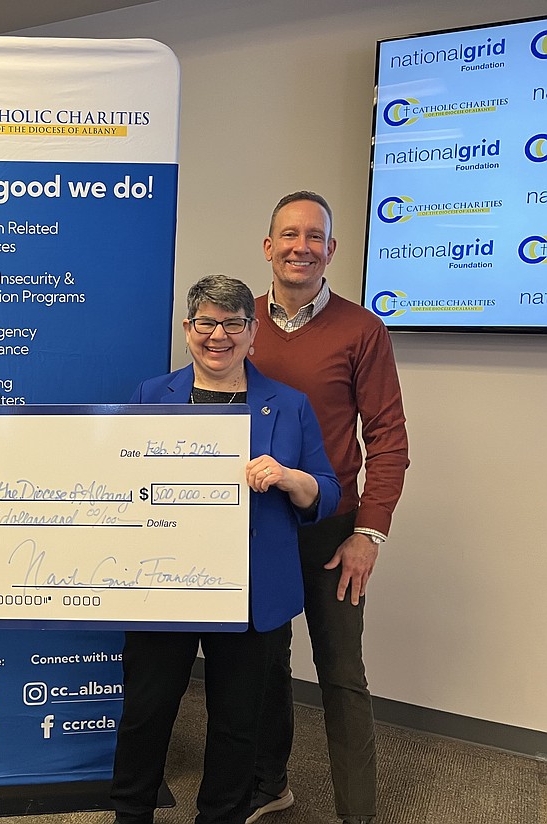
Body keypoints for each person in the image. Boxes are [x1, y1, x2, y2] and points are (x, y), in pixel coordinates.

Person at [110, 274, 340, 824]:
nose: (219, 335)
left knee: (238, 722)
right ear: (187, 329)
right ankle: (131, 814)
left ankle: (222, 816)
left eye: (233, 323)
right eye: (206, 323)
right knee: (146, 711)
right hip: (163, 584)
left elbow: (327, 492)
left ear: (253, 332)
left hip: (252, 592)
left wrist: (289, 477)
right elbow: (119, 480)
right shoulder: (150, 395)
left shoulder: (289, 404)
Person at [246, 192, 410, 824]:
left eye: (314, 237)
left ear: (331, 250)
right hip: (261, 524)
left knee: (341, 673)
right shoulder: (239, 323)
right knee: (264, 665)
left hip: (332, 527)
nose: (301, 247)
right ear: (269, 247)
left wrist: (369, 534)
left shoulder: (362, 330)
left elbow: (388, 439)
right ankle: (270, 786)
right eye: (289, 235)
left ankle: (356, 813)